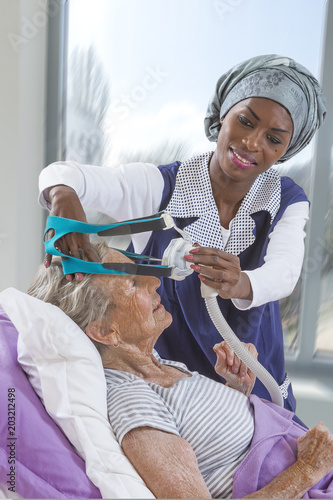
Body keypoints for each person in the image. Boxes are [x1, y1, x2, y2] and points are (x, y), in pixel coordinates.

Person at [38, 54, 327, 413]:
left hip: (252, 377)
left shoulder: (286, 200)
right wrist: (64, 195)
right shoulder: (158, 187)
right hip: (177, 392)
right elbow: (62, 172)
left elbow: (284, 272)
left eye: (273, 139)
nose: (253, 143)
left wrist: (241, 284)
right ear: (223, 115)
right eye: (245, 121)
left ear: (286, 150)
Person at [27, 242, 333, 499]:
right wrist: (305, 471)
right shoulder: (133, 403)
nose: (155, 281)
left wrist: (236, 390)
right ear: (106, 331)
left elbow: (211, 448)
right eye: (133, 283)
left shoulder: (156, 365)